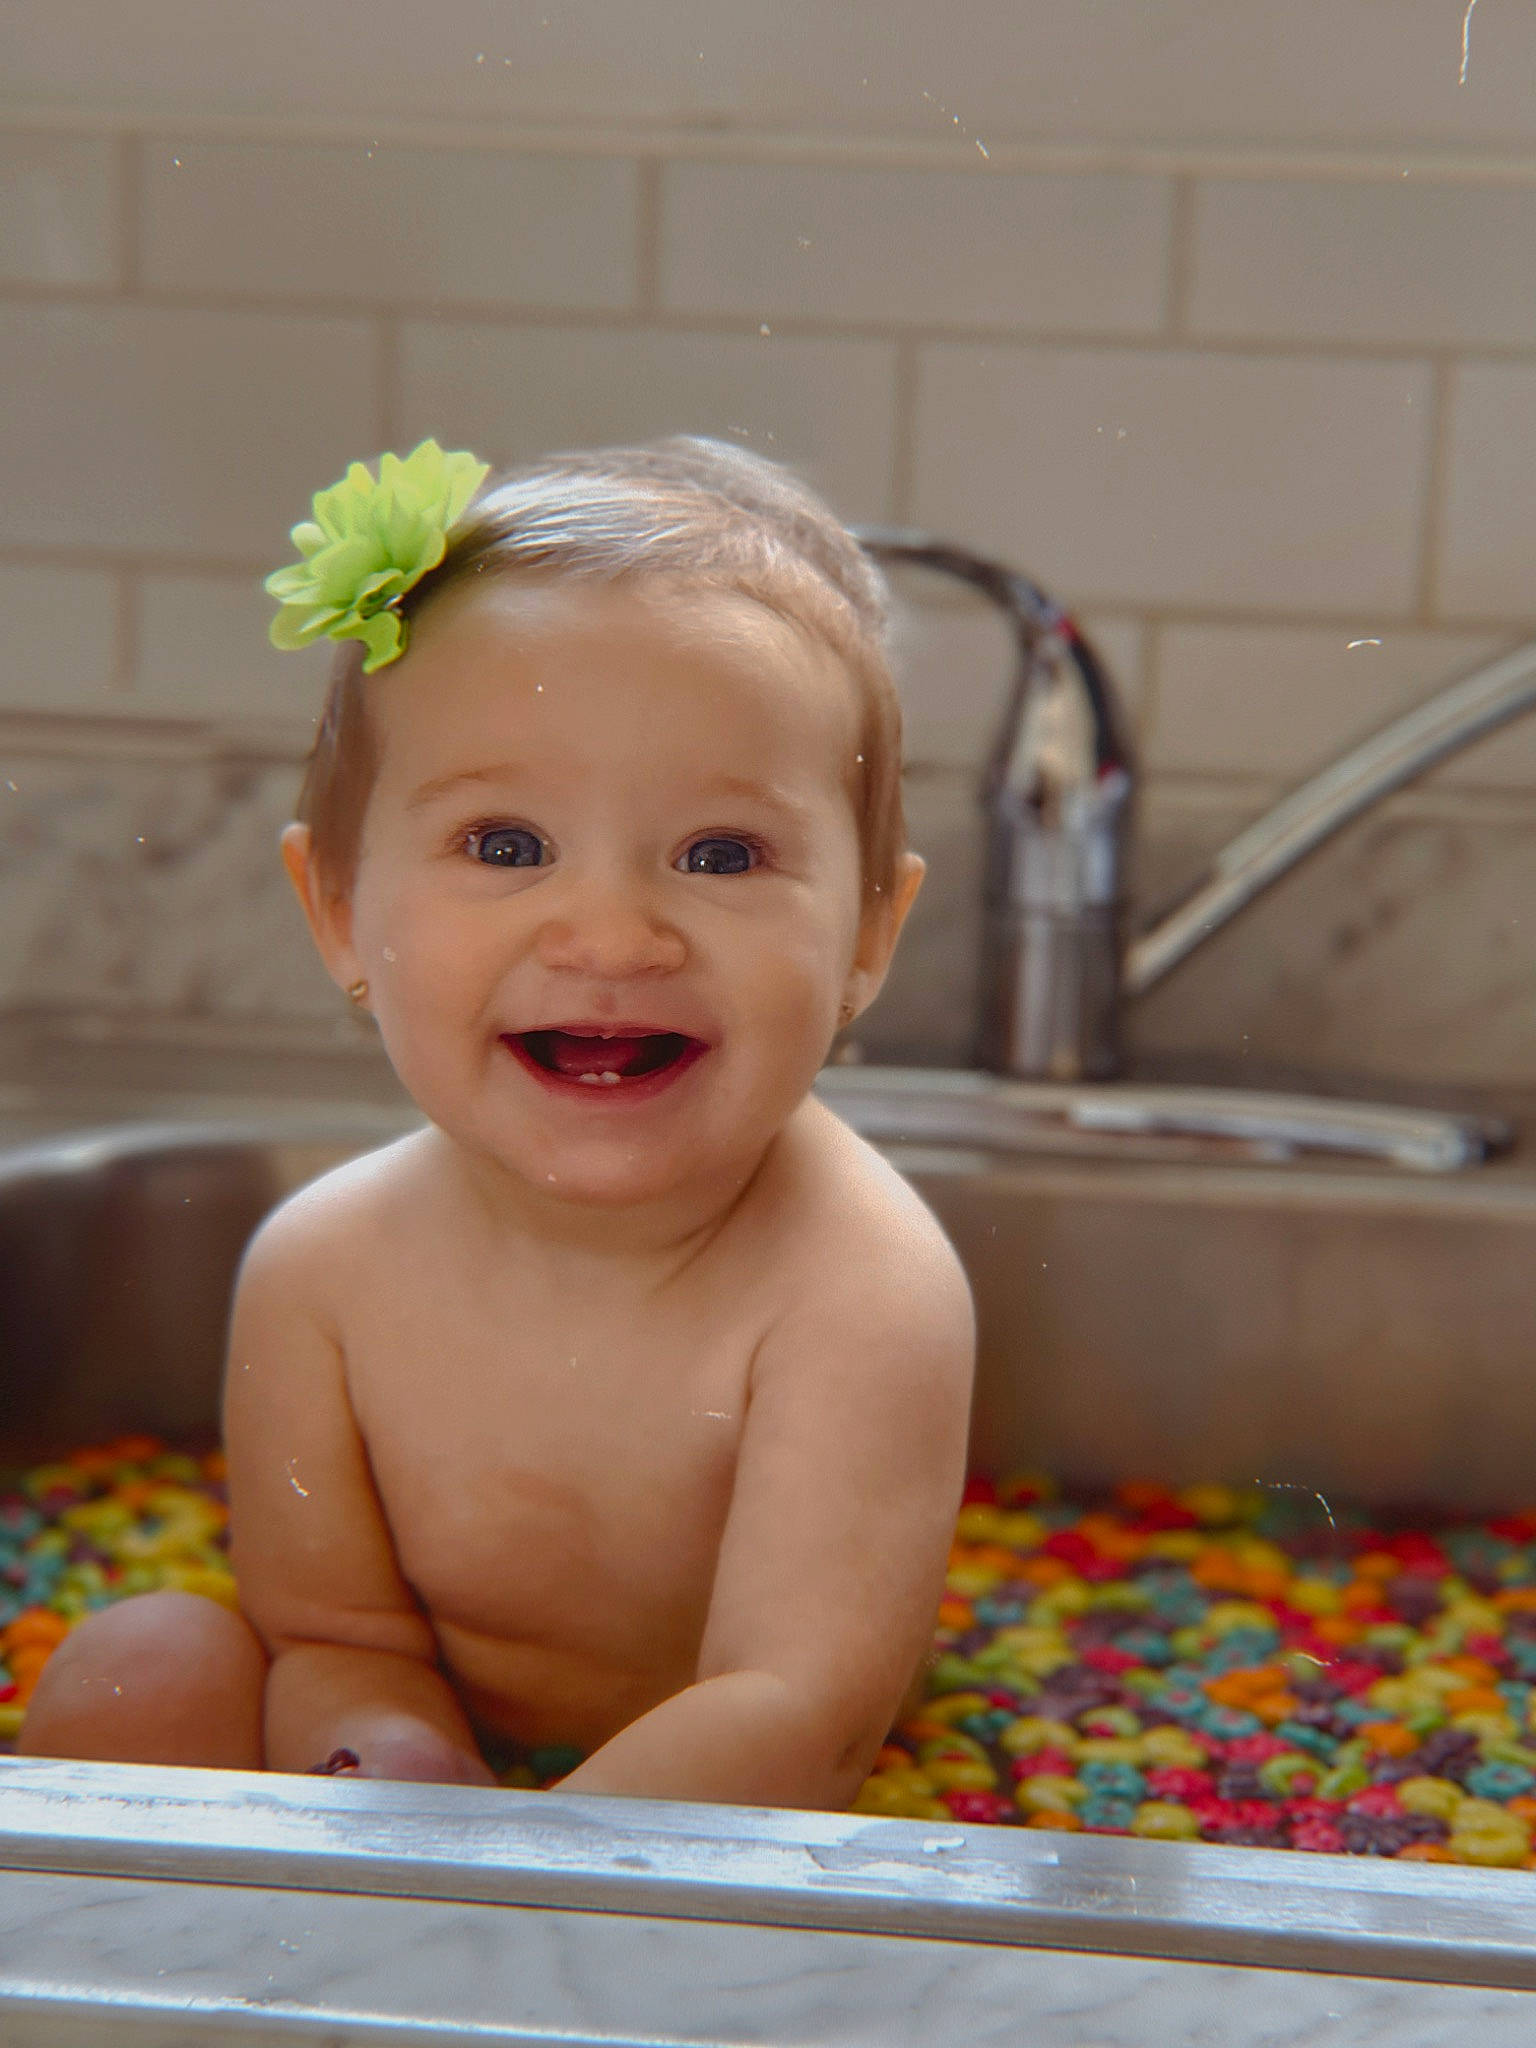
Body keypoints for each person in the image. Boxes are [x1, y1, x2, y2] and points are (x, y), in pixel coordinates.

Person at [20, 436, 975, 1810]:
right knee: (151, 1659)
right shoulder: (322, 1270)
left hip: (706, 1813)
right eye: (507, 845)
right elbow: (335, 1637)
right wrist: (393, 1762)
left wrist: (499, 1905)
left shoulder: (859, 1285)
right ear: (340, 910)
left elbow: (799, 1708)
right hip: (465, 1795)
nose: (611, 935)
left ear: (871, 931)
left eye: (721, 854)